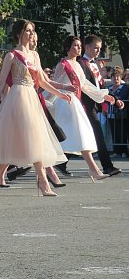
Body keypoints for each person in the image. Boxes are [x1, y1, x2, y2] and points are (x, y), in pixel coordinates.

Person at [0, 20, 71, 195]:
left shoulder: (35, 56)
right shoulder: (12, 56)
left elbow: (42, 81)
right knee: (23, 139)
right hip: (17, 98)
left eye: (32, 31)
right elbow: (0, 83)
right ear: (18, 34)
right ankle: (43, 183)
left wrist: (60, 94)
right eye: (27, 31)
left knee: (28, 140)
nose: (31, 34)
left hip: (32, 97)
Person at [50, 36, 118, 181]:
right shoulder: (63, 64)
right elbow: (52, 85)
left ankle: (93, 170)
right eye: (75, 45)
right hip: (64, 103)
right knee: (64, 138)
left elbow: (85, 86)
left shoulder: (78, 65)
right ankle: (46, 170)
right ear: (68, 47)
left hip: (74, 103)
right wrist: (59, 91)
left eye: (80, 45)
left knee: (82, 136)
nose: (79, 48)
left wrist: (104, 96)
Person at [74, 35, 123, 176]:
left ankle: (60, 163)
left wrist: (114, 98)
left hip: (94, 104)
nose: (98, 51)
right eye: (95, 47)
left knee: (80, 135)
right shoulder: (80, 64)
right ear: (87, 47)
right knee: (97, 135)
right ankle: (107, 166)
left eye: (100, 48)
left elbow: (101, 86)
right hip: (85, 105)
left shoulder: (94, 65)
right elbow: (85, 86)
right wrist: (105, 97)